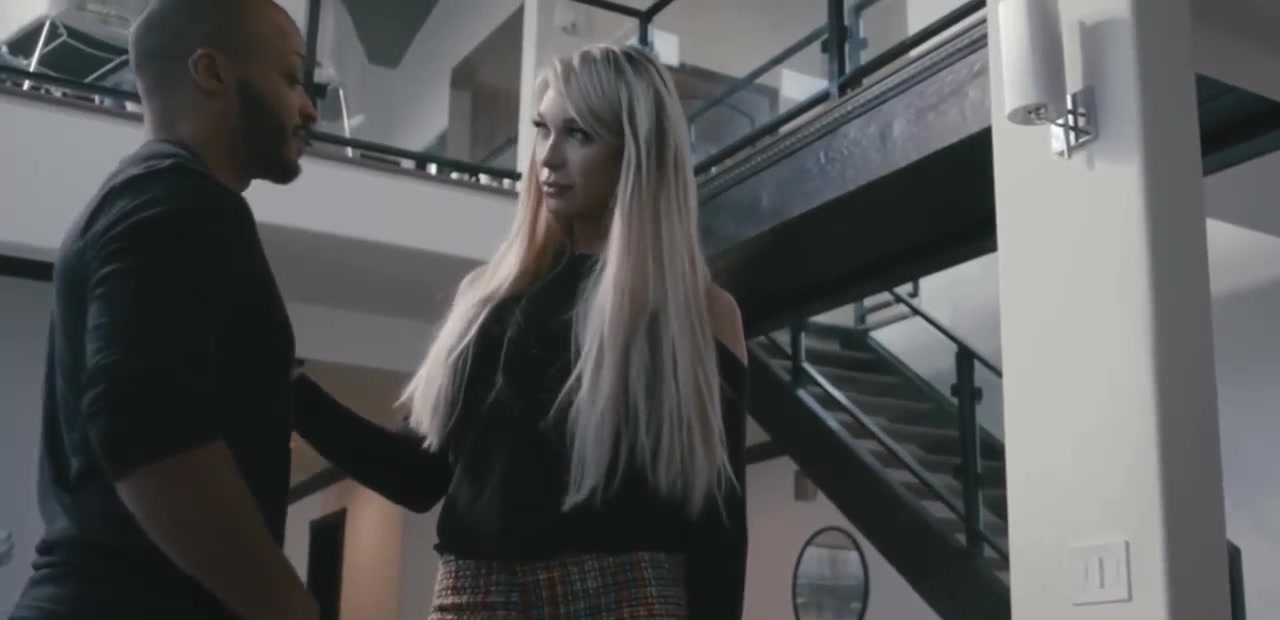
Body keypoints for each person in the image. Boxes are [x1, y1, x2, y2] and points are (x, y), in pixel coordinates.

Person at [292, 44, 749, 619]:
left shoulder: (696, 311)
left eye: (578, 134)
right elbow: (418, 475)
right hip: (476, 596)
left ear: (636, 153)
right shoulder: (487, 298)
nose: (547, 157)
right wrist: (292, 391)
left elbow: (718, 526)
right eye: (542, 129)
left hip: (626, 596)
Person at [9, 1, 319, 619]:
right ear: (210, 71)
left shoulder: (140, 198)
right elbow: (144, 423)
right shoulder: (178, 199)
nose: (308, 107)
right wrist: (289, 609)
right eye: (290, 78)